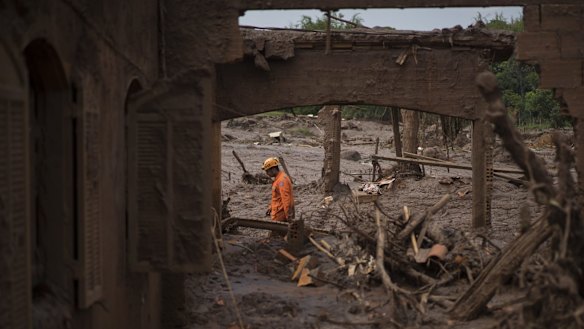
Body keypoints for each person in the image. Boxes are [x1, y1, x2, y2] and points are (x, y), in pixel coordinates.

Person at [262, 157, 294, 222]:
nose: (267, 173)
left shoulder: (282, 181)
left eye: (267, 171)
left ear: (273, 169)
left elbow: (286, 199)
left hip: (280, 215)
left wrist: (288, 216)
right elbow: (277, 197)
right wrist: (271, 207)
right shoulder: (279, 178)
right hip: (278, 212)